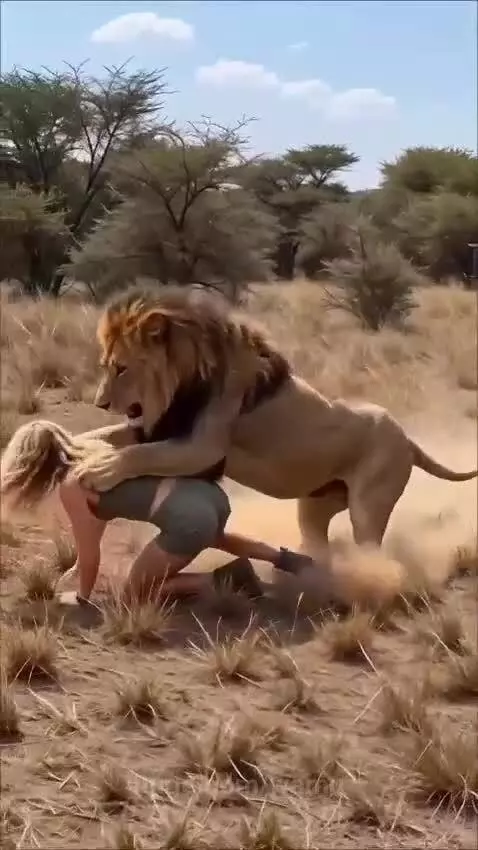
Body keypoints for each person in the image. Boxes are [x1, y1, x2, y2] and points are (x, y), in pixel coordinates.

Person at [1, 419, 315, 606]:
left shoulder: (72, 486)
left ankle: (226, 582)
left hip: (189, 519)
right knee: (214, 536)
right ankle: (284, 559)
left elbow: (89, 552)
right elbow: (93, 542)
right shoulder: (99, 458)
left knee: (134, 597)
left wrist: (81, 597)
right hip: (209, 496)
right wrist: (77, 574)